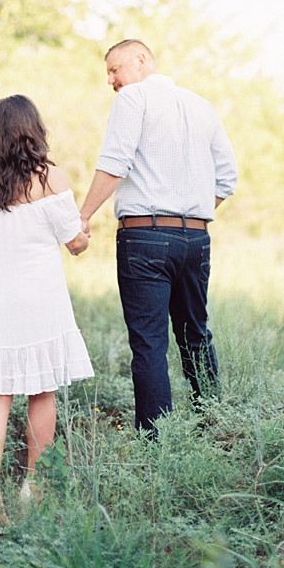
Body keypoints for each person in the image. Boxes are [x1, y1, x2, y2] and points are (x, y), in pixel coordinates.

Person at [78, 40, 237, 434]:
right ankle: (213, 427)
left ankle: (157, 444)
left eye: (114, 69)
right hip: (196, 240)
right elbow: (228, 178)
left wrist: (82, 215)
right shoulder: (202, 106)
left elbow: (115, 162)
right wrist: (189, 212)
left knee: (149, 345)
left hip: (145, 239)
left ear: (141, 60)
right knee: (196, 336)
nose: (111, 80)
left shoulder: (134, 98)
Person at [0, 94, 93, 519]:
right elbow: (75, 243)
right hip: (42, 299)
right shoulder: (51, 178)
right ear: (35, 131)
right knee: (41, 390)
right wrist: (85, 233)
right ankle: (34, 487)